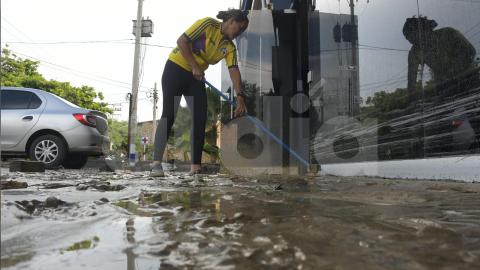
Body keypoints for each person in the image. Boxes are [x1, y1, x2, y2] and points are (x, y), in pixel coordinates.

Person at [150, 9, 249, 177]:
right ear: (231, 21)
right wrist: (194, 65)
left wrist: (240, 96)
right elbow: (181, 41)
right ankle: (156, 163)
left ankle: (195, 167)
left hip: (195, 78)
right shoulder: (207, 24)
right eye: (238, 29)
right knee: (169, 113)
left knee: (200, 117)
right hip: (176, 68)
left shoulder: (229, 47)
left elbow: (233, 70)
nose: (238, 34)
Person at [403, 16, 476, 101]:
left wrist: (453, 72)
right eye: (408, 38)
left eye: (412, 36)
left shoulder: (448, 33)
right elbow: (411, 81)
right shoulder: (414, 52)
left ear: (423, 29)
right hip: (444, 91)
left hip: (470, 80)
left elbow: (470, 52)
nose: (411, 41)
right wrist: (413, 99)